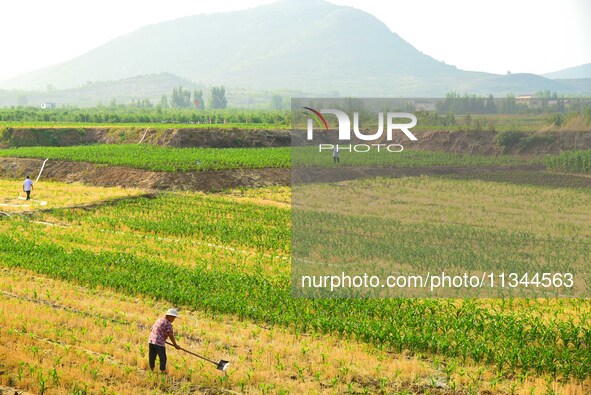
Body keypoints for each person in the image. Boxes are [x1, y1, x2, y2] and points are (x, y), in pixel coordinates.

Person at [148, 308, 181, 373]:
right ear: (169, 316)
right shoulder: (168, 324)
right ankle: (162, 371)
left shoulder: (159, 320)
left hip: (151, 340)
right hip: (159, 343)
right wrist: (175, 345)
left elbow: (151, 329)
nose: (174, 319)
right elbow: (171, 335)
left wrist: (158, 335)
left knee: (152, 357)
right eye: (173, 318)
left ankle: (151, 370)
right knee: (163, 358)